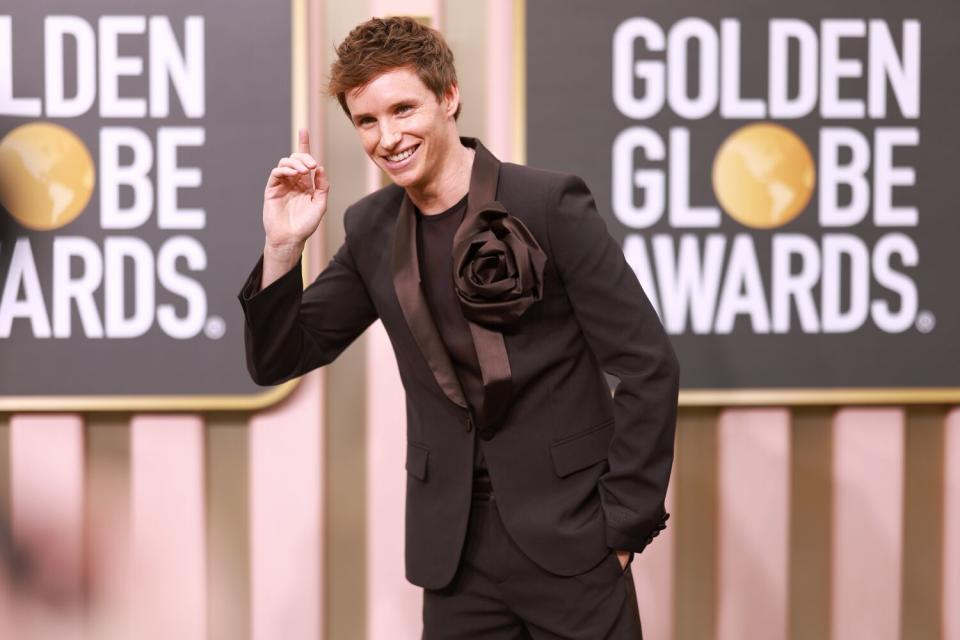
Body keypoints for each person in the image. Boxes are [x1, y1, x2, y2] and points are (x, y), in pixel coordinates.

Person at [238, 16, 679, 639]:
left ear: (448, 97)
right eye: (367, 120)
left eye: (402, 109)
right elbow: (279, 358)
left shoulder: (549, 205)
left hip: (575, 539)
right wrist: (283, 248)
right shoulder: (371, 229)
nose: (388, 137)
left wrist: (621, 530)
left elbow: (647, 365)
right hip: (455, 555)